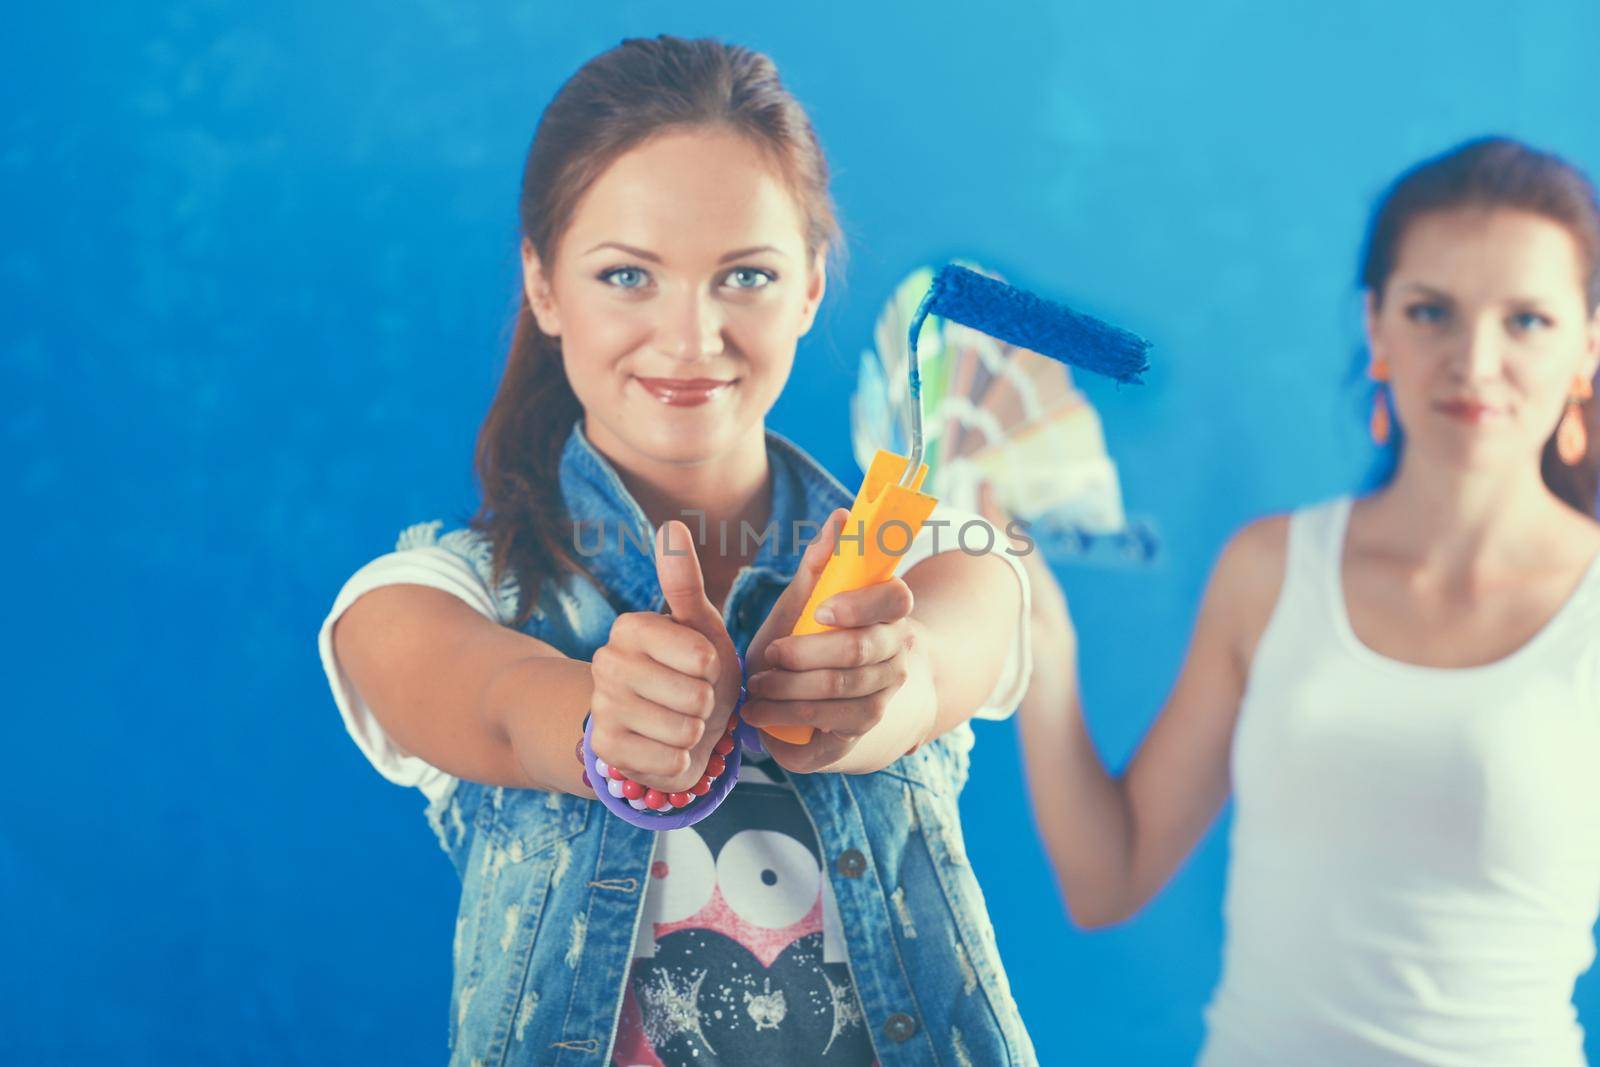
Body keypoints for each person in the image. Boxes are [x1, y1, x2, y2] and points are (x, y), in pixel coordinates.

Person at [317, 35, 1035, 1067]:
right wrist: (608, 723)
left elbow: (944, 648)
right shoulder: (431, 596)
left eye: (744, 274)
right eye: (626, 275)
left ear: (809, 289)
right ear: (544, 285)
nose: (692, 336)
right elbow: (498, 706)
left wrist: (869, 690)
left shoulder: (936, 559)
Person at [984, 136, 1600, 1065]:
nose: (1475, 362)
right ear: (1378, 328)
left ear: (1588, 348)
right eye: (1432, 310)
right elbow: (1105, 878)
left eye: (1527, 321)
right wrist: (1039, 629)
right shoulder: (1271, 570)